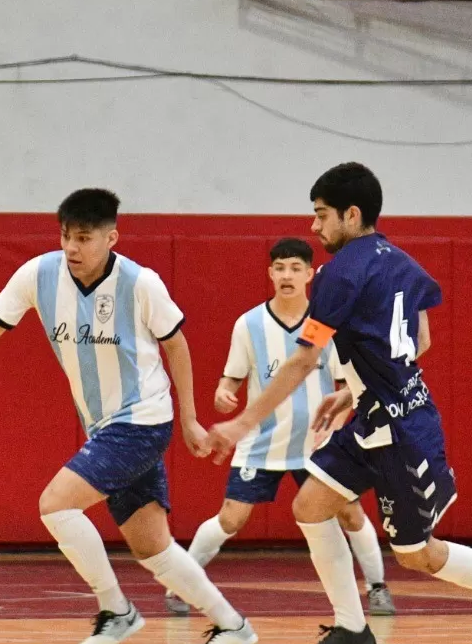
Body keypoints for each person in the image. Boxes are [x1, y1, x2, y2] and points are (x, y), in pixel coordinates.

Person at [206, 163, 472, 644]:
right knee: (310, 506)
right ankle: (351, 629)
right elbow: (421, 341)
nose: (314, 227)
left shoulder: (338, 275)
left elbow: (303, 360)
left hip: (402, 430)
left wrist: (241, 423)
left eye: (321, 215)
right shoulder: (405, 265)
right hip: (376, 414)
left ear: (351, 214)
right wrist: (356, 392)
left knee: (417, 554)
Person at [0, 189, 257, 644]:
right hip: (104, 426)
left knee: (55, 505)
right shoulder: (37, 275)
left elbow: (178, 347)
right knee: (153, 547)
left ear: (111, 237)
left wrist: (188, 418)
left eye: (83, 238)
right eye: (66, 236)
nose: (72, 248)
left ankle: (116, 609)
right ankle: (233, 625)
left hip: (143, 420)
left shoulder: (140, 283)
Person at [168, 237, 394, 617]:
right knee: (231, 518)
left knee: (350, 512)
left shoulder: (328, 326)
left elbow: (346, 388)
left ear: (309, 274)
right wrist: (224, 392)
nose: (286, 275)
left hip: (318, 444)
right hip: (263, 442)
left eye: (295, 268)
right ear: (270, 273)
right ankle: (181, 585)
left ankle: (377, 587)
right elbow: (232, 379)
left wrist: (336, 424)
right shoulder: (249, 324)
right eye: (279, 268)